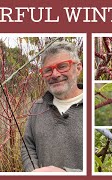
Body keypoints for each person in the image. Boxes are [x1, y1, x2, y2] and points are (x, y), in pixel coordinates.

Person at [22, 41, 83, 172]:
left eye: (62, 66)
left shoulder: (96, 107)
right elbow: (28, 145)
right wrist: (33, 171)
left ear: (78, 68)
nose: (55, 75)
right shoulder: (37, 108)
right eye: (48, 70)